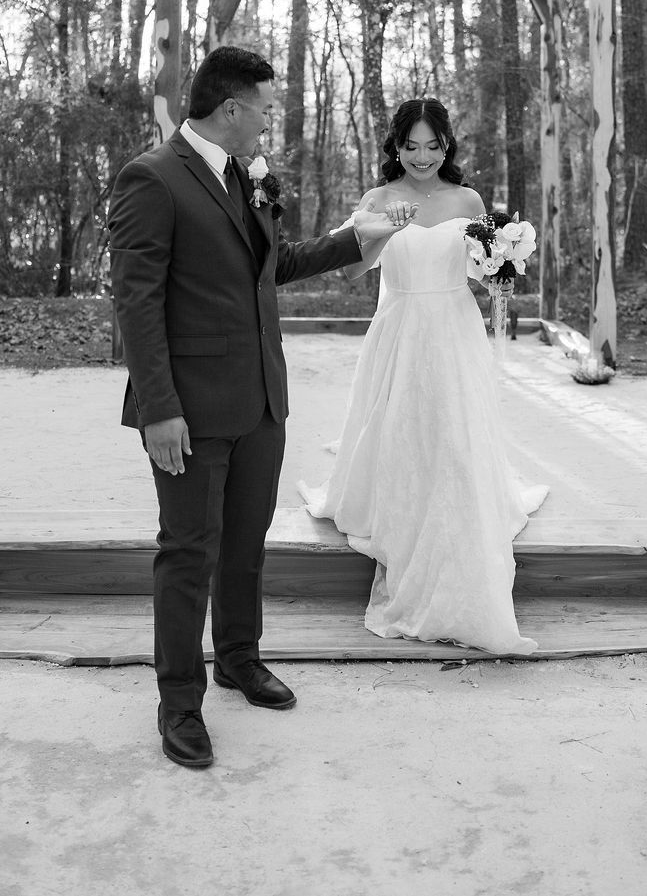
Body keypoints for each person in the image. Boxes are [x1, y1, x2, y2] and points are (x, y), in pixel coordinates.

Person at [108, 45, 402, 769]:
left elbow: (272, 265)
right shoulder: (152, 178)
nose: (270, 122)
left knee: (246, 543)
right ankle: (180, 702)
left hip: (262, 399)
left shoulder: (246, 177)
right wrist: (159, 409)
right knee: (187, 552)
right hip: (188, 410)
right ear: (232, 108)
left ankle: (239, 658)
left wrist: (356, 240)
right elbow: (136, 304)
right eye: (265, 109)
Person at [298, 98, 549, 655]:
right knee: (404, 432)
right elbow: (355, 269)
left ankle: (460, 527)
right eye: (410, 146)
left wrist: (501, 266)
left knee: (455, 434)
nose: (421, 157)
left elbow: (482, 273)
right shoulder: (377, 198)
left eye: (432, 146)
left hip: (455, 328)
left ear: (446, 146)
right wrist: (385, 230)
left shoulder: (468, 200)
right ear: (395, 146)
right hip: (400, 327)